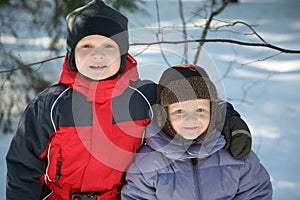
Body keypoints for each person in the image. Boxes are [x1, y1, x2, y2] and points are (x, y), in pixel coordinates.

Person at [6, 1, 251, 199]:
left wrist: (229, 119)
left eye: (108, 47)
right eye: (86, 46)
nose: (97, 55)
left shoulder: (141, 97)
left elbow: (191, 99)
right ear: (72, 54)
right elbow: (22, 166)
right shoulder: (50, 104)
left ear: (123, 53)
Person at [121, 64, 272, 200]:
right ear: (164, 117)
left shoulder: (234, 153)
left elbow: (257, 192)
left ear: (213, 113)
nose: (191, 119)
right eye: (179, 111)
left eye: (200, 110)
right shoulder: (147, 164)